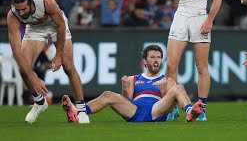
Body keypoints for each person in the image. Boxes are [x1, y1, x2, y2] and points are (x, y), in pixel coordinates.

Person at [6, 0, 90, 124]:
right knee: (23, 70)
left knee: (68, 66)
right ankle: (39, 102)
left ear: (31, 2)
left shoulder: (46, 1)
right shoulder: (13, 14)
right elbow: (16, 50)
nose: (21, 13)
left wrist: (58, 54)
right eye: (18, 9)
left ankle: (81, 110)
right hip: (34, 29)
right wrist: (33, 76)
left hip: (56, 25)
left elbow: (61, 25)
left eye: (24, 9)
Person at [61, 45, 203, 122]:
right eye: (152, 57)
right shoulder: (133, 79)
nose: (156, 60)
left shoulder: (167, 80)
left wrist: (163, 92)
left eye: (159, 57)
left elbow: (171, 107)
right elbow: (127, 101)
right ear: (145, 61)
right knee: (108, 94)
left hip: (156, 109)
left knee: (179, 88)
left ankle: (191, 112)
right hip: (135, 110)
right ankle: (78, 112)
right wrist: (125, 89)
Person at [164, 0, 222, 121]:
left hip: (200, 16)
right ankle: (172, 107)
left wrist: (210, 20)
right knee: (170, 64)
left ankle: (201, 108)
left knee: (202, 66)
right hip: (181, 15)